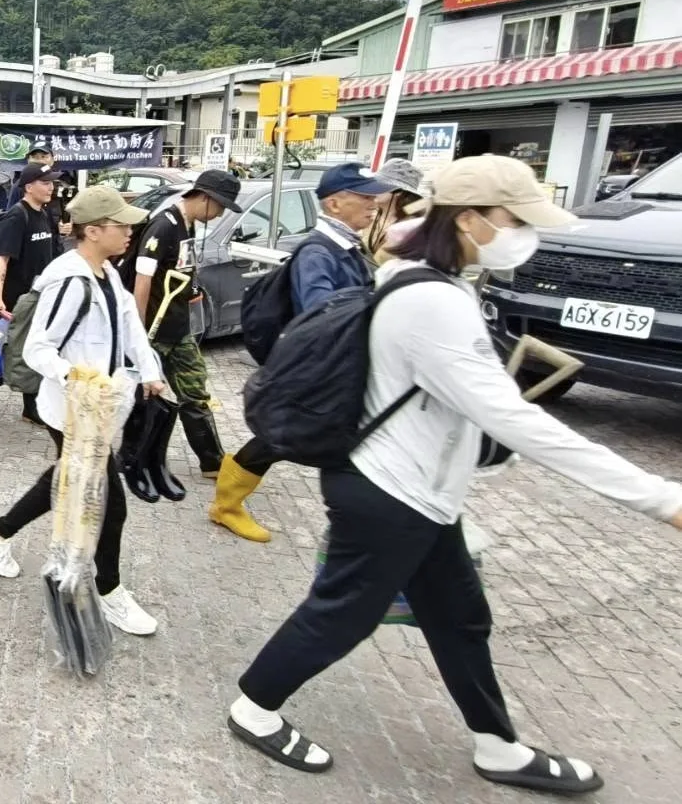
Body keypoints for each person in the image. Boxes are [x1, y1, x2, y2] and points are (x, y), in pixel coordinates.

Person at [227, 155, 682, 794]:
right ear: (468, 219)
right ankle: (253, 704)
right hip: (390, 493)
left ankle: (498, 746)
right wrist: (659, 497)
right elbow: (511, 417)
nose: (527, 233)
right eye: (515, 220)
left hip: (417, 494)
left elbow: (465, 405)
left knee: (460, 617)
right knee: (344, 613)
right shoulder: (433, 301)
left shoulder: (429, 278)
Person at [0, 185, 167, 632]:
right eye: (121, 225)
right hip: (76, 409)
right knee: (110, 504)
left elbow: (130, 327)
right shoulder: (71, 279)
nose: (130, 231)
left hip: (101, 408)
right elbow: (39, 348)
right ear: (93, 231)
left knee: (66, 478)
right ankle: (111, 590)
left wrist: (150, 370)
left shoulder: (107, 272)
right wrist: (76, 380)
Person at [210, 163, 398, 543]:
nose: (374, 203)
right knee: (283, 437)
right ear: (334, 204)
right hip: (316, 366)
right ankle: (226, 505)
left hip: (329, 365)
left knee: (285, 438)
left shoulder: (345, 247)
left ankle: (227, 503)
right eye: (363, 196)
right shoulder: (319, 252)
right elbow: (322, 313)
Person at [129, 168, 242, 481]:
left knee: (194, 391)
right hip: (154, 331)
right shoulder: (163, 226)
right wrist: (138, 332)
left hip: (179, 329)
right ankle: (133, 455)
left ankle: (213, 462)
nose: (219, 215)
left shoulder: (188, 225)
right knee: (143, 396)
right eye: (220, 207)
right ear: (206, 198)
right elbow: (143, 281)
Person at [0, 159, 65, 422]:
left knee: (35, 350)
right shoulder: (18, 215)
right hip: (21, 299)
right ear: (28, 187)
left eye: (52, 183)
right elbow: (1, 259)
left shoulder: (45, 213)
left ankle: (27, 406)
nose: (51, 188)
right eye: (45, 183)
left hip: (44, 296)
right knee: (22, 351)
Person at [366, 158, 428, 260]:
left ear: (398, 191)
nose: (374, 189)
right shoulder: (369, 216)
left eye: (380, 185)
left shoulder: (411, 227)